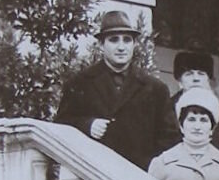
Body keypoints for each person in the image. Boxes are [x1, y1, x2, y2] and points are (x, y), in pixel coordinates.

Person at [55, 10, 176, 169]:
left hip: (139, 176)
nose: (121, 47)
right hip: (95, 174)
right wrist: (88, 125)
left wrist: (151, 167)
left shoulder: (155, 88)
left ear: (134, 44)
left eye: (127, 40)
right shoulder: (80, 83)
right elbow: (61, 125)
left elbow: (170, 138)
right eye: (113, 40)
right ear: (101, 45)